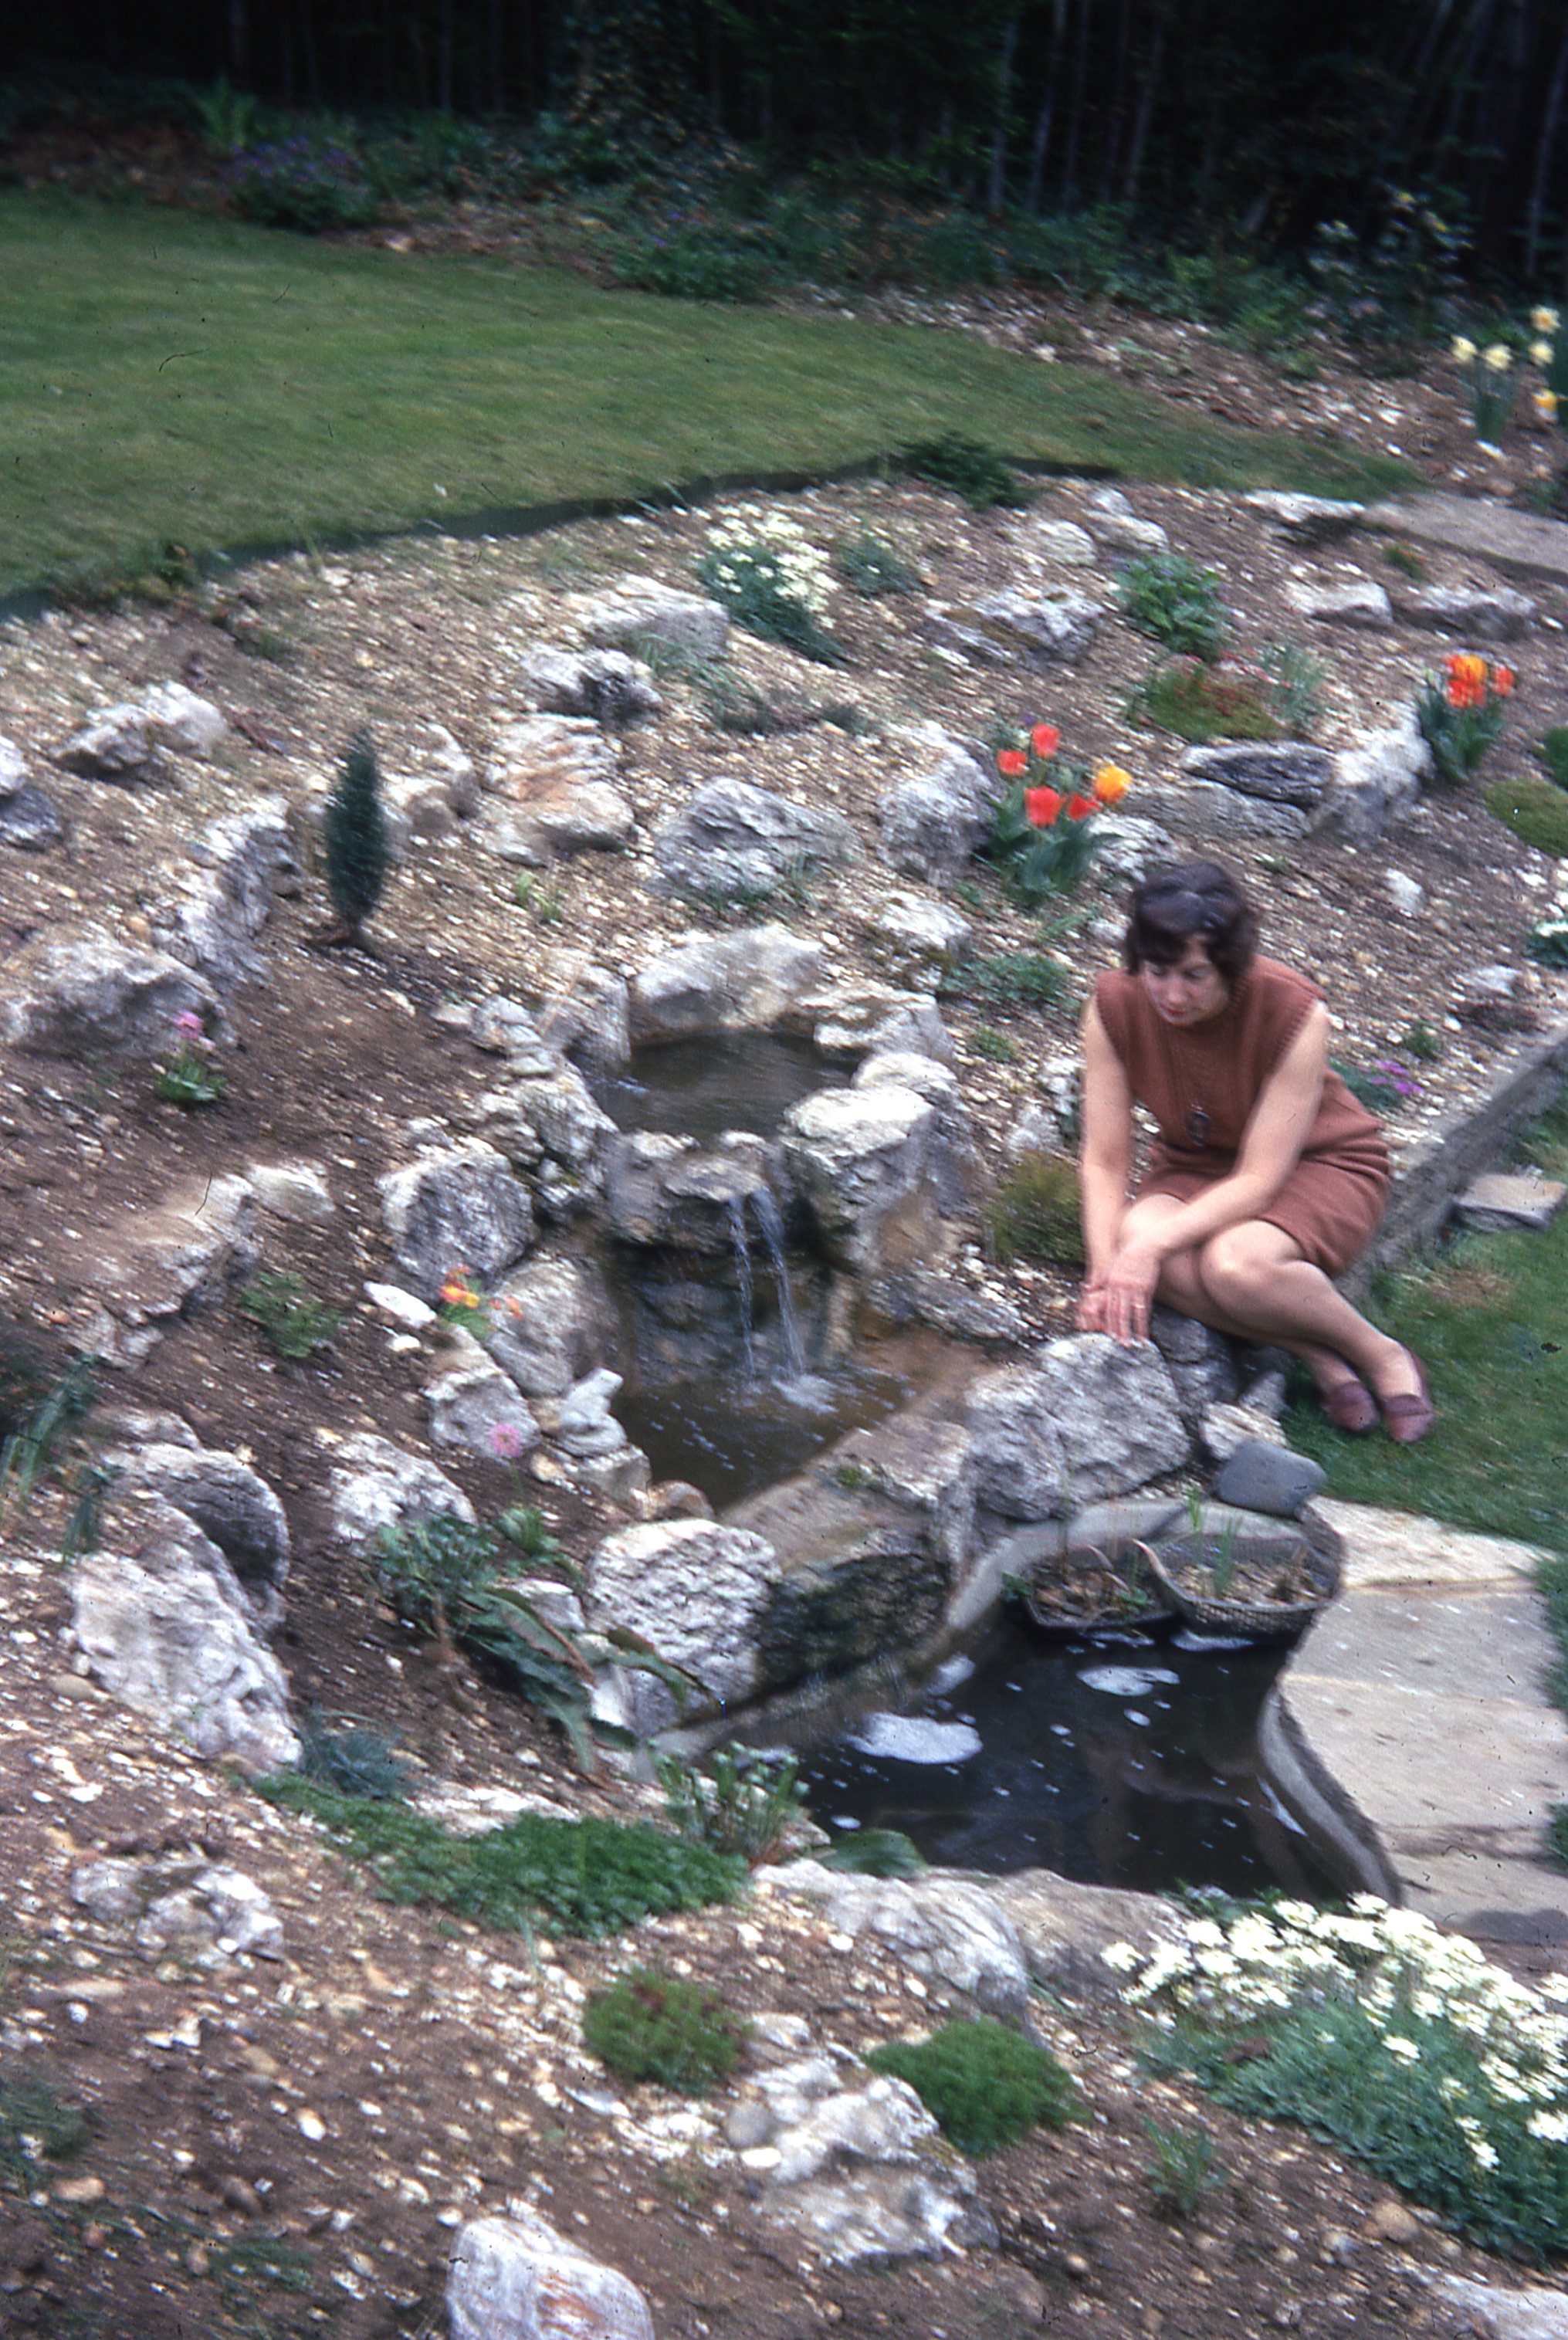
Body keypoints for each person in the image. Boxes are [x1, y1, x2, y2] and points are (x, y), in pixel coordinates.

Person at [1075, 859, 1433, 1442]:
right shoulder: (1112, 1006)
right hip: (1195, 1164)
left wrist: (1147, 1251)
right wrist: (1102, 1273)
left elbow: (1260, 1178)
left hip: (1319, 1163)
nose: (1172, 994)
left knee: (1234, 1263)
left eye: (1194, 975)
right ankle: (1319, 1355)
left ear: (1231, 964)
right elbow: (1105, 1159)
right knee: (1129, 1238)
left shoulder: (1293, 1012)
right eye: (1157, 971)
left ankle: (1380, 1352)